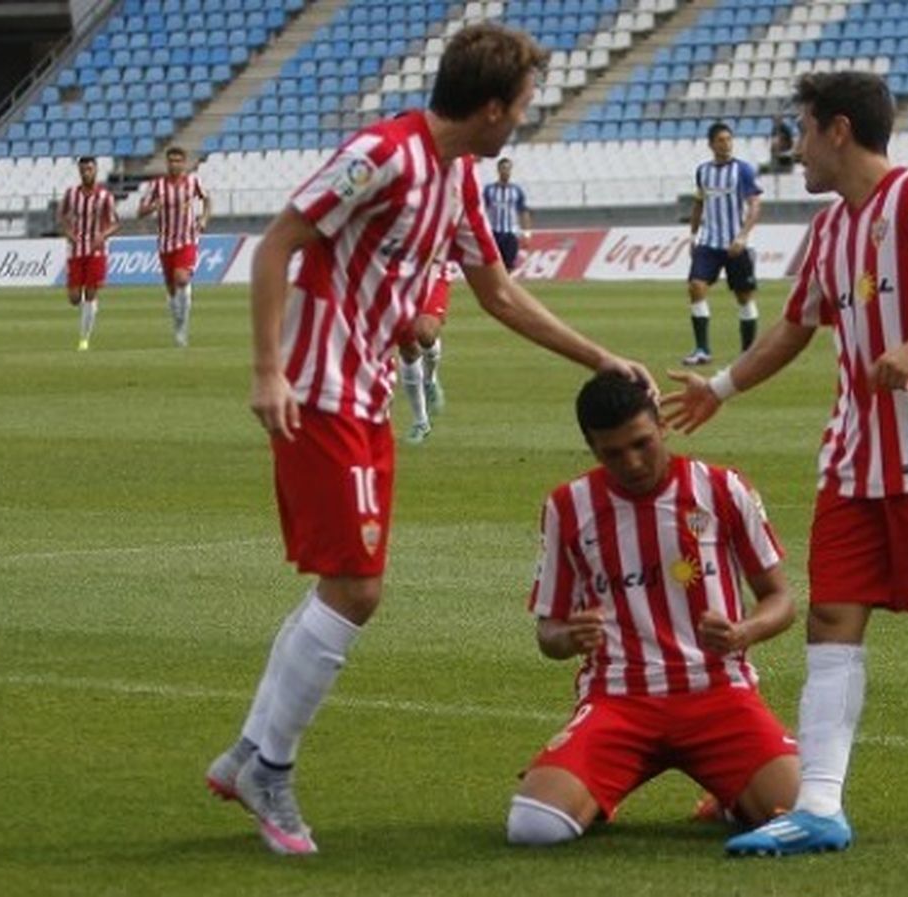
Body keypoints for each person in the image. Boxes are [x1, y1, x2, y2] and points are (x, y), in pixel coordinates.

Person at [202, 23, 653, 856]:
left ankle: (249, 753)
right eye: (520, 106)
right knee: (356, 588)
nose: (522, 120)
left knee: (346, 585)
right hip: (318, 387)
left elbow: (501, 293)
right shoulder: (386, 153)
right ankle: (270, 764)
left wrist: (596, 355)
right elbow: (277, 243)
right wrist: (269, 370)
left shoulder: (458, 179)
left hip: (365, 392)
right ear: (489, 108)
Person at [664, 71, 908, 856]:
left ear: (837, 130)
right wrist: (720, 387)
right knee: (832, 616)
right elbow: (795, 326)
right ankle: (818, 804)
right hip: (853, 458)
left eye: (801, 131)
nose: (793, 148)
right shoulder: (830, 229)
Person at [507, 371, 799, 847]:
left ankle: (730, 795)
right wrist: (568, 636)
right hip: (619, 701)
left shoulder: (722, 488)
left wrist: (745, 632)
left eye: (642, 443)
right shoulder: (568, 506)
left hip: (719, 694)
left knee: (799, 815)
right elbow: (548, 633)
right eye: (613, 453)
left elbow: (781, 599)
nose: (633, 462)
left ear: (661, 425)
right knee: (534, 828)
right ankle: (599, 787)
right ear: (591, 447)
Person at [681, 121, 763, 367]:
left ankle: (748, 353)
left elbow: (755, 205)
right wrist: (693, 235)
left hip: (735, 244)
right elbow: (699, 203)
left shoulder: (743, 170)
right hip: (709, 242)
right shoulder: (702, 171)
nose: (726, 144)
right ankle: (702, 349)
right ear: (711, 144)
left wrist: (742, 236)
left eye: (729, 139)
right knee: (696, 287)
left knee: (744, 297)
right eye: (721, 140)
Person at [136, 145, 210, 347]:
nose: (175, 164)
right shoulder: (157, 186)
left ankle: (182, 329)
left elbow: (207, 199)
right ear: (167, 163)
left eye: (178, 160)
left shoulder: (193, 181)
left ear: (184, 163)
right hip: (165, 242)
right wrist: (153, 206)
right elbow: (140, 212)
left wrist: (203, 218)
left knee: (182, 278)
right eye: (171, 160)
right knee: (171, 289)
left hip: (187, 239)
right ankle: (178, 324)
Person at [59, 155, 119, 351]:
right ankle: (88, 311)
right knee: (75, 297)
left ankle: (84, 339)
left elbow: (116, 223)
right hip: (76, 250)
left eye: (90, 169)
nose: (86, 173)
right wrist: (69, 233)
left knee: (91, 293)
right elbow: (61, 216)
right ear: (79, 171)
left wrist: (103, 235)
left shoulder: (105, 196)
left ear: (96, 170)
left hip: (96, 250)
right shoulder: (71, 194)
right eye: (83, 170)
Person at [398, 259, 458, 445]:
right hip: (393, 273)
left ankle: (429, 380)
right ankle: (421, 421)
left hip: (432, 270)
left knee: (425, 332)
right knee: (406, 347)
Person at [483, 156, 532, 272]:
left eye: (508, 169)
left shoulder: (516, 190)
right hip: (494, 233)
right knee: (493, 265)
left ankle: (504, 287)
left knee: (509, 266)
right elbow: (482, 210)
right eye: (503, 168)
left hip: (511, 233)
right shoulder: (489, 190)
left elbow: (523, 211)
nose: (506, 171)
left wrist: (527, 233)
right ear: (498, 170)